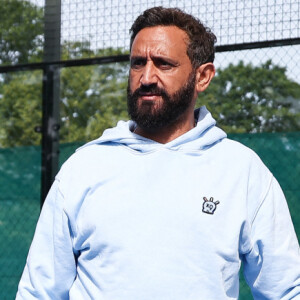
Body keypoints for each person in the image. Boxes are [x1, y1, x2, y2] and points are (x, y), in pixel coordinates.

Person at [16, 6, 300, 299]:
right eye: (138, 63)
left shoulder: (242, 171)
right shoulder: (83, 169)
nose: (147, 77)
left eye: (163, 64)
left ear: (203, 77)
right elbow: (39, 292)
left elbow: (286, 289)